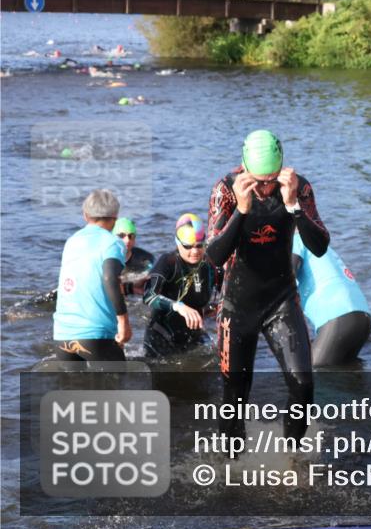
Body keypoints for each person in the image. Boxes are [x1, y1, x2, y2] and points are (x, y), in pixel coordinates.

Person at [207, 129, 329, 444]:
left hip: (281, 300)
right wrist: (242, 210)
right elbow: (214, 255)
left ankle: (291, 459)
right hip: (237, 306)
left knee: (303, 387)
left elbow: (319, 247)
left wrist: (293, 207)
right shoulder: (226, 190)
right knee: (235, 397)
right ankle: (229, 466)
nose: (265, 188)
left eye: (271, 179)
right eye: (259, 181)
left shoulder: (297, 187)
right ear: (243, 168)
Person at [53, 189, 130, 362]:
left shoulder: (72, 241)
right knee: (118, 387)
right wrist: (123, 322)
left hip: (62, 335)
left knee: (77, 388)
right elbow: (110, 278)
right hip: (95, 336)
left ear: (85, 215)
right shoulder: (112, 242)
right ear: (115, 217)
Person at [143, 213, 218, 358]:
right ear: (178, 243)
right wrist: (179, 306)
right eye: (188, 246)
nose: (195, 251)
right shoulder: (168, 262)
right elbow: (148, 296)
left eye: (199, 245)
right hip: (161, 338)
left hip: (193, 336)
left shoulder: (209, 266)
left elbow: (222, 294)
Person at [292, 231, 371, 366]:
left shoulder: (295, 241)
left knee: (313, 374)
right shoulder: (318, 243)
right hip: (363, 318)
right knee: (348, 376)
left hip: (338, 319)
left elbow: (288, 278)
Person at [112, 217, 155, 294]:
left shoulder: (145, 258)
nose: (127, 240)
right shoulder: (104, 259)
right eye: (121, 235)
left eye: (131, 236)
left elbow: (154, 277)